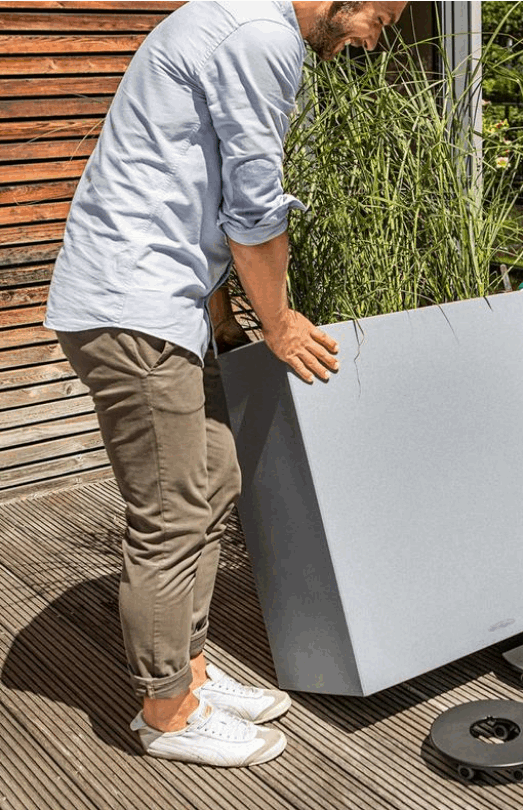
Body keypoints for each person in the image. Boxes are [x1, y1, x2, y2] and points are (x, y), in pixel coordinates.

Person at [44, 0, 407, 767]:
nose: (376, 32)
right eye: (379, 11)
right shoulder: (259, 37)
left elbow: (200, 198)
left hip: (161, 303)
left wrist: (223, 320)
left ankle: (194, 672)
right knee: (173, 511)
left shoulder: (240, 23)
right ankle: (166, 712)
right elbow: (252, 204)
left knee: (212, 477)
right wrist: (277, 324)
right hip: (133, 307)